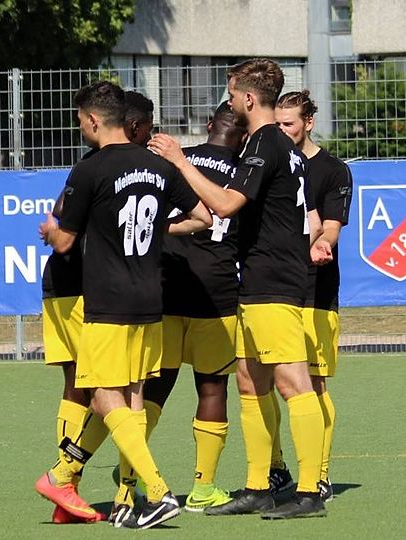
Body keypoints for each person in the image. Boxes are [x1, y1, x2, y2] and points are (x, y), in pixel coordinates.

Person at [149, 57, 330, 519]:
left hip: (273, 281)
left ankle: (310, 491)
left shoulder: (266, 141)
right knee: (250, 380)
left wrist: (179, 161)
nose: (229, 101)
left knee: (293, 383)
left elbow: (226, 205)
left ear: (249, 97)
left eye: (231, 93)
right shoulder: (275, 145)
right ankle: (257, 486)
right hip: (257, 278)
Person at [37, 80, 212, 530]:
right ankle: (101, 490)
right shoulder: (157, 166)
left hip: (108, 301)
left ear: (95, 120)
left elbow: (65, 240)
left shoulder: (90, 169)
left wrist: (52, 233)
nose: (81, 128)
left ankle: (157, 492)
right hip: (150, 298)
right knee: (130, 399)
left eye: (81, 121)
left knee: (100, 394)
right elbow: (202, 217)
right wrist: (157, 231)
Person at [37, 90, 157, 526]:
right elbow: (63, 217)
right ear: (132, 126)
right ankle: (67, 484)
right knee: (92, 388)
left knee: (117, 390)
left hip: (102, 291)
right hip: (77, 287)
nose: (152, 137)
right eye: (148, 129)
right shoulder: (97, 166)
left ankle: (100, 489)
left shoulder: (136, 167)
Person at [139, 101, 246, 513]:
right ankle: (203, 487)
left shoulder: (175, 160)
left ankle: (136, 471)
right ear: (244, 135)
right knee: (212, 386)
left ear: (208, 124)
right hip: (215, 292)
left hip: (166, 286)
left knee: (155, 384)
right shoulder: (244, 171)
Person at [276, 90, 353, 502]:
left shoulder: (333, 170)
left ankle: (319, 474)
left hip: (314, 292)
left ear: (308, 122)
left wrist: (321, 242)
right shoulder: (270, 162)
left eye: (288, 123)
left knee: (313, 383)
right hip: (272, 289)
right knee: (268, 383)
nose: (281, 130)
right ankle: (275, 470)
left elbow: (331, 227)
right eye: (277, 123)